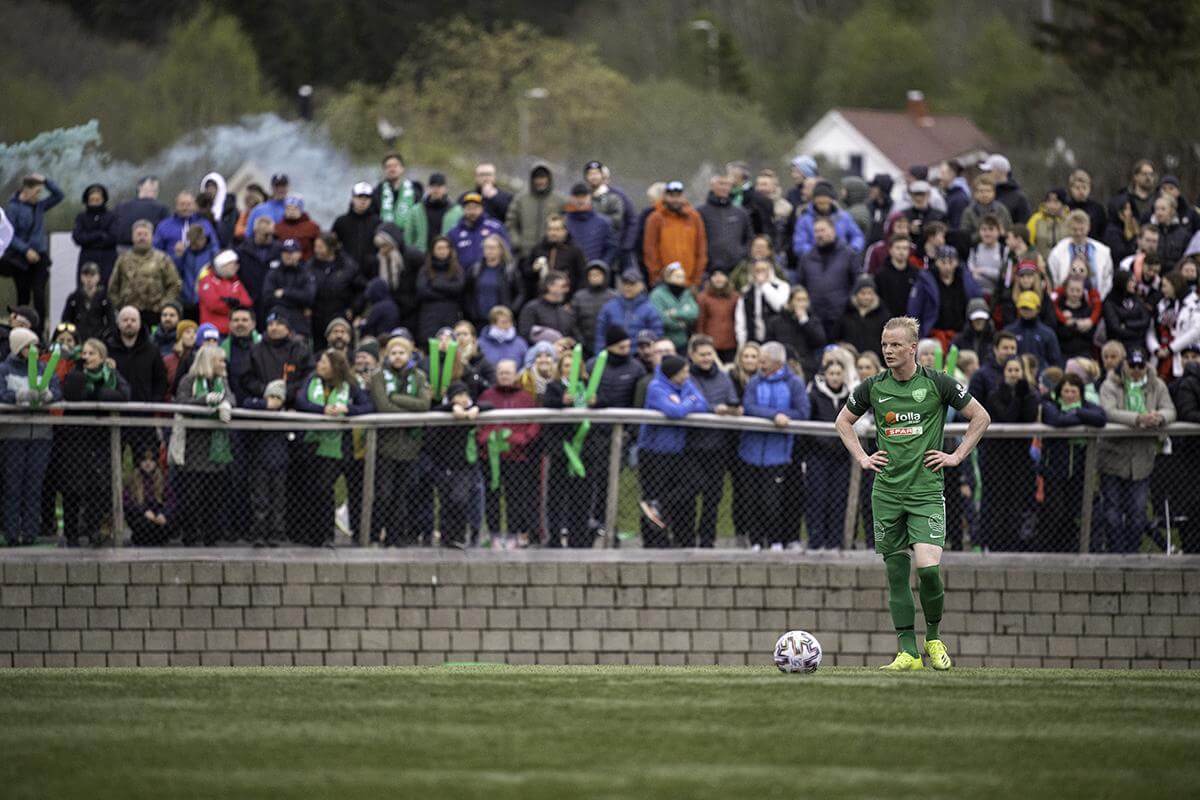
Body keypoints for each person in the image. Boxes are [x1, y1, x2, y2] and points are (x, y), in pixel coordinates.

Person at [836, 316, 990, 671]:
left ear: (912, 348)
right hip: (887, 493)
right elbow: (842, 421)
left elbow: (980, 417)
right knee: (895, 573)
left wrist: (956, 455)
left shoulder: (938, 383)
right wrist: (861, 457)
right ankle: (907, 651)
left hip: (926, 491)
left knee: (928, 570)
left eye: (894, 345)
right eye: (884, 344)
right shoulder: (873, 386)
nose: (888, 350)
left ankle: (933, 638)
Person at [293, 348, 373, 546]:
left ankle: (327, 534)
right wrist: (322, 410)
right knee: (311, 489)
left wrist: (348, 410)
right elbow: (301, 401)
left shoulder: (350, 385)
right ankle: (312, 535)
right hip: (312, 443)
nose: (319, 366)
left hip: (338, 446)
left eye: (323, 363)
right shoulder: (312, 380)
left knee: (324, 487)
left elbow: (369, 406)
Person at [738, 340, 810, 551]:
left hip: (778, 454)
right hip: (751, 451)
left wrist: (784, 417)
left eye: (764, 361)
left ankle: (776, 540)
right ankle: (756, 540)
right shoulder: (754, 382)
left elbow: (802, 412)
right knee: (751, 499)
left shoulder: (793, 383)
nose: (760, 365)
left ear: (778, 362)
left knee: (774, 500)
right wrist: (773, 416)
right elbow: (749, 406)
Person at [638, 353, 710, 547]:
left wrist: (685, 403)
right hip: (654, 452)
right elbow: (674, 412)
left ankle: (659, 504)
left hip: (677, 451)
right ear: (673, 373)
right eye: (684, 371)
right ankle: (654, 543)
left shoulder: (685, 385)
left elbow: (702, 404)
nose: (687, 374)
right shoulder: (656, 387)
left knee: (696, 483)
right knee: (654, 491)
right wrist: (688, 403)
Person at [0, 328, 62, 545]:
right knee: (12, 485)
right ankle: (11, 533)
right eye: (28, 346)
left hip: (41, 435)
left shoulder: (44, 368)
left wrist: (50, 395)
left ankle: (30, 533)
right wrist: (19, 396)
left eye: (35, 346)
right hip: (13, 435)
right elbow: (2, 394)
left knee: (34, 486)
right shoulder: (4, 370)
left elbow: (56, 388)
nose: (33, 350)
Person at [369, 333, 432, 546]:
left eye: (401, 352)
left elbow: (424, 405)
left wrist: (396, 398)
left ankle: (396, 536)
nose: (397, 356)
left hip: (410, 445)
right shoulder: (379, 376)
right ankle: (375, 532)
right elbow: (383, 407)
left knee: (402, 494)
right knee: (383, 493)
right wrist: (408, 409)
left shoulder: (420, 376)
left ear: (409, 354)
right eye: (393, 352)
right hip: (386, 444)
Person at [173, 345, 235, 546]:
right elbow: (182, 402)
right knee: (192, 496)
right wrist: (204, 401)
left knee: (214, 497)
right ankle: (190, 536)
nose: (223, 364)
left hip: (216, 450)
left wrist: (225, 404)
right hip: (193, 449)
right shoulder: (188, 380)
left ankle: (212, 536)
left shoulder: (221, 381)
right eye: (220, 360)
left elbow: (231, 397)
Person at [478, 359, 541, 548]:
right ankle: (494, 532)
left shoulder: (526, 398)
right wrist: (486, 437)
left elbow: (535, 422)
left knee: (516, 497)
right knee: (492, 496)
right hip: (490, 456)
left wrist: (523, 437)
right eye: (501, 373)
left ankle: (514, 532)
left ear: (515, 375)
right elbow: (478, 423)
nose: (505, 376)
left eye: (508, 373)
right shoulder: (487, 396)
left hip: (518, 456)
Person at [978, 356, 1038, 552]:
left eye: (1017, 370)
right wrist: (1019, 398)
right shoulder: (995, 394)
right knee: (998, 503)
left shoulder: (1030, 393)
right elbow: (1007, 417)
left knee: (1018, 502)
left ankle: (1018, 543)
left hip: (1020, 458)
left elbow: (1029, 417)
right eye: (1010, 370)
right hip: (998, 459)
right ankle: (995, 543)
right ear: (1004, 373)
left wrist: (1025, 396)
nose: (1014, 374)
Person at [1040, 372, 1107, 552]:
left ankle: (1072, 548)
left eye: (1073, 391)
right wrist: (1081, 418)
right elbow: (1057, 420)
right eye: (1066, 391)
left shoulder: (1084, 406)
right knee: (1056, 512)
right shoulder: (1049, 405)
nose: (1069, 395)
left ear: (1080, 392)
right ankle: (1049, 549)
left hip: (1079, 472)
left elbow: (1101, 418)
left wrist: (1076, 411)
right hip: (1054, 470)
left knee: (1074, 512)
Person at [683, 335, 739, 547]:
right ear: (692, 355)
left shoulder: (723, 378)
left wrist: (732, 409)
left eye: (709, 354)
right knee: (689, 494)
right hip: (691, 445)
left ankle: (707, 539)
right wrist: (713, 409)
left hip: (717, 445)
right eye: (702, 354)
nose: (707, 358)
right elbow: (691, 402)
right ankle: (686, 538)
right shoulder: (686, 376)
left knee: (713, 496)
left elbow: (732, 400)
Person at [2, 174, 64, 330]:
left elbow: (59, 195)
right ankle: (19, 331)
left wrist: (45, 180)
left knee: (39, 294)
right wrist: (26, 250)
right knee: (23, 295)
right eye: (37, 192)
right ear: (26, 191)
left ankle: (39, 331)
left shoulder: (40, 206)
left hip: (40, 257)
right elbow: (9, 235)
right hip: (21, 259)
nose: (39, 196)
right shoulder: (13, 208)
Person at [805, 359, 851, 549]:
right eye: (831, 374)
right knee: (818, 498)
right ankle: (816, 541)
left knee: (838, 499)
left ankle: (835, 541)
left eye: (838, 373)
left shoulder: (849, 397)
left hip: (841, 457)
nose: (835, 377)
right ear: (825, 376)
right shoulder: (814, 395)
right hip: (818, 456)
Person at [907, 246, 983, 347]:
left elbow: (976, 301)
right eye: (943, 262)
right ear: (936, 262)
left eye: (951, 262)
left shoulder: (966, 280)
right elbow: (914, 310)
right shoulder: (925, 281)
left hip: (962, 333)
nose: (947, 267)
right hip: (933, 334)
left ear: (956, 262)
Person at [797, 217, 856, 334]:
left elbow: (856, 281)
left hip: (841, 316)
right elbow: (801, 284)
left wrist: (848, 304)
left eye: (822, 230)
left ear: (833, 231)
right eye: (816, 231)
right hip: (815, 316)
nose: (819, 234)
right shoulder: (806, 258)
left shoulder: (848, 255)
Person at [643, 180, 707, 287]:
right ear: (665, 197)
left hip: (689, 281)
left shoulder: (694, 217)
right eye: (671, 196)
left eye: (678, 196)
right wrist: (656, 276)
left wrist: (696, 279)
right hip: (664, 281)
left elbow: (701, 248)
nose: (675, 200)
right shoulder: (655, 218)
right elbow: (650, 250)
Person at [244, 308, 313, 407]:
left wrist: (286, 392)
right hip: (263, 404)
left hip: (294, 406)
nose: (274, 328)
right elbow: (247, 378)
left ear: (288, 327)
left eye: (279, 324)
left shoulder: (300, 349)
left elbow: (308, 377)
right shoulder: (256, 350)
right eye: (270, 324)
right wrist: (266, 390)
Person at [1168, 345, 1200, 553]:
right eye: (1185, 356)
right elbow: (1187, 412)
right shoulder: (1184, 384)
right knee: (1192, 505)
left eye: (1194, 356)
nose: (1190, 360)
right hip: (1189, 453)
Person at [1048, 210, 1115, 297]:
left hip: (1096, 299)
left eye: (1082, 229)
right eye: (1075, 230)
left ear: (1088, 227)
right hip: (1066, 300)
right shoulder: (1057, 253)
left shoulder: (1103, 251)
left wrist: (1100, 299)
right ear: (1068, 228)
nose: (1078, 233)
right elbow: (1055, 278)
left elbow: (1107, 278)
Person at [791, 181, 865, 259]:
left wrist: (851, 250)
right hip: (815, 262)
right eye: (819, 203)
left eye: (825, 202)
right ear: (814, 201)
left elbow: (857, 236)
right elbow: (799, 245)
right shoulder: (804, 220)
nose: (823, 206)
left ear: (831, 200)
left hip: (841, 260)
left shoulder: (843, 217)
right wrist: (819, 253)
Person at [506, 163, 565, 260]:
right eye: (537, 178)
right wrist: (517, 242)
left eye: (543, 178)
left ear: (549, 179)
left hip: (552, 255)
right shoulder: (520, 199)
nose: (540, 181)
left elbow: (567, 224)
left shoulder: (559, 200)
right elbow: (510, 224)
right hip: (525, 255)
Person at [261, 239, 316, 341]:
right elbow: (267, 297)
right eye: (285, 252)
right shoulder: (273, 273)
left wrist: (284, 293)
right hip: (276, 322)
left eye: (292, 252)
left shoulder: (306, 273)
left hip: (299, 325)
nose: (288, 255)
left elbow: (309, 297)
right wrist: (296, 300)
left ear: (299, 254)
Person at [524, 214, 587, 301]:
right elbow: (526, 273)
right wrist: (533, 269)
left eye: (557, 230)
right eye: (550, 229)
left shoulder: (574, 251)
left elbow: (582, 277)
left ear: (565, 231)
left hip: (566, 300)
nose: (553, 233)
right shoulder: (538, 249)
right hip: (541, 300)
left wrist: (573, 302)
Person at [465, 235, 523, 327]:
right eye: (486, 247)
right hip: (479, 320)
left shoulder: (509, 270)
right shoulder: (475, 269)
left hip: (501, 321)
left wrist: (510, 310)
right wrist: (471, 311)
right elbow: (467, 292)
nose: (489, 251)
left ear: (501, 250)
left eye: (492, 248)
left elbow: (521, 293)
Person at [699, 174, 752, 274]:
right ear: (712, 186)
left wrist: (742, 254)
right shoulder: (700, 212)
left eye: (728, 185)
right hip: (708, 268)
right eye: (721, 184)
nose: (724, 188)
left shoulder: (740, 213)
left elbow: (749, 238)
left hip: (736, 268)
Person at [447, 193, 510, 270]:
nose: (472, 212)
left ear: (482, 208)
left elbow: (507, 251)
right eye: (469, 208)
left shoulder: (495, 227)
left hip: (490, 275)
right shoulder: (454, 232)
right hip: (463, 277)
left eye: (476, 208)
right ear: (463, 209)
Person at [72, 183, 119, 285]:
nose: (95, 203)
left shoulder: (111, 216)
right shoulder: (81, 217)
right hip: (87, 257)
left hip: (107, 259)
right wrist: (99, 234)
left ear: (103, 200)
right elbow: (78, 237)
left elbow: (113, 237)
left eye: (97, 200)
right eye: (92, 200)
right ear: (87, 201)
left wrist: (90, 238)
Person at [235, 217, 279, 324]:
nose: (268, 237)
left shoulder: (279, 250)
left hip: (272, 302)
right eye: (264, 234)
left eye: (270, 234)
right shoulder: (242, 250)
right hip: (249, 300)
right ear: (255, 232)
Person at [197, 250, 252, 335]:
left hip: (233, 332)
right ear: (222, 265)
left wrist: (233, 303)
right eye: (233, 264)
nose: (236, 267)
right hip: (213, 332)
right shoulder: (207, 281)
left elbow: (247, 302)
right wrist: (235, 307)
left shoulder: (236, 282)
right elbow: (213, 304)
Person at [123, 445, 169, 547]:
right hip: (141, 515)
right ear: (139, 462)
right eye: (144, 460)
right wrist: (143, 510)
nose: (148, 463)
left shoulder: (161, 479)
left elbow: (171, 500)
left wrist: (163, 513)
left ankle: (159, 540)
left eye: (151, 460)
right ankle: (140, 540)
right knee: (143, 523)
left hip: (157, 514)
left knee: (167, 522)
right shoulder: (133, 479)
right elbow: (126, 500)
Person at [332, 182, 382, 274]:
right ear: (353, 198)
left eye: (367, 198)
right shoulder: (341, 222)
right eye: (359, 197)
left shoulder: (377, 222)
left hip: (370, 272)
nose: (363, 201)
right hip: (346, 271)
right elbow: (333, 245)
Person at [563, 183, 617, 267]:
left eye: (583, 197)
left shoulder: (604, 222)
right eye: (577, 197)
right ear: (571, 198)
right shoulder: (564, 222)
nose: (580, 201)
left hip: (595, 274)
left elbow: (611, 248)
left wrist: (601, 266)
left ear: (589, 197)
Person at [60, 261, 115, 344]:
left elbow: (111, 322)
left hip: (99, 340)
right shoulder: (73, 298)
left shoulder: (105, 299)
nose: (89, 279)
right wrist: (72, 335)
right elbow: (65, 320)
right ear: (81, 277)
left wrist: (104, 335)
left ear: (98, 277)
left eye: (92, 275)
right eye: (86, 275)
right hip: (78, 339)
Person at [404, 173, 461, 252]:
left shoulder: (456, 211)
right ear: (428, 188)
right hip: (421, 255)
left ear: (445, 189)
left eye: (439, 186)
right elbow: (409, 235)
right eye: (433, 186)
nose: (436, 189)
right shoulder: (416, 210)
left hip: (447, 256)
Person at [649, 262, 699, 351]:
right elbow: (661, 317)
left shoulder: (686, 293)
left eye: (682, 277)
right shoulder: (657, 294)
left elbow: (694, 313)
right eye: (677, 276)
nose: (681, 280)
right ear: (667, 277)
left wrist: (674, 313)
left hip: (684, 341)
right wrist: (680, 324)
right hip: (665, 341)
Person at [1102, 270, 1152, 357]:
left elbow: (1146, 320)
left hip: (1139, 344)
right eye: (1131, 281)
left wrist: (1127, 324)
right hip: (1119, 346)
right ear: (1122, 282)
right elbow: (1115, 327)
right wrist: (1137, 332)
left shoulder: (1137, 299)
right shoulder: (1110, 302)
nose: (1134, 284)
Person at [836, 275, 889, 358]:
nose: (866, 297)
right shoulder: (846, 313)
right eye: (863, 293)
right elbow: (836, 338)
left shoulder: (883, 315)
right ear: (856, 294)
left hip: (876, 361)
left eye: (870, 293)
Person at [1005, 291, 1062, 367]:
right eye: (1023, 307)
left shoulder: (1047, 333)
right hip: (1015, 374)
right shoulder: (1009, 331)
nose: (1026, 311)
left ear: (1038, 309)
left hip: (1041, 375)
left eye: (1029, 308)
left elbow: (1055, 360)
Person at [1053, 274, 1101, 361]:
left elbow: (1089, 334)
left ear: (1083, 291)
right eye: (1072, 290)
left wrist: (1072, 323)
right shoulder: (1059, 309)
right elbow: (1061, 333)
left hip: (1085, 354)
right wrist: (1078, 324)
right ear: (1066, 290)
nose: (1075, 294)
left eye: (1078, 290)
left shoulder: (1088, 310)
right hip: (1064, 354)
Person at [957, 175, 1013, 247]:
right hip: (975, 249)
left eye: (988, 191)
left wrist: (1000, 232)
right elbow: (964, 237)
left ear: (994, 193)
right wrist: (984, 234)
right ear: (975, 193)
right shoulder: (969, 212)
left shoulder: (1001, 210)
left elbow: (1009, 231)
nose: (985, 194)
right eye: (981, 191)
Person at [695, 268, 738, 361]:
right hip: (711, 343)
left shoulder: (735, 297)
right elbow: (700, 321)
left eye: (721, 275)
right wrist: (701, 341)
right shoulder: (703, 297)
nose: (718, 279)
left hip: (731, 342)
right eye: (715, 275)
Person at [372, 153, 424, 228]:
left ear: (402, 168)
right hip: (385, 233)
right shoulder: (377, 192)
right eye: (388, 166)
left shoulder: (415, 190)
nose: (392, 169)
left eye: (395, 166)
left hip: (409, 232)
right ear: (384, 170)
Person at [115, 176, 169, 246]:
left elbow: (167, 230)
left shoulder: (162, 208)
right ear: (139, 186)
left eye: (157, 186)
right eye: (151, 183)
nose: (155, 187)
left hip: (152, 250)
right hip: (124, 248)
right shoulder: (122, 206)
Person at [980, 153, 1032, 225]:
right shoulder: (982, 193)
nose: (985, 174)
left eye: (989, 171)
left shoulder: (1019, 198)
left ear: (1001, 172)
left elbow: (1023, 227)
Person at [900, 180, 947, 253]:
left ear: (928, 195)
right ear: (911, 195)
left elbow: (944, 235)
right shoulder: (903, 215)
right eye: (916, 194)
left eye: (922, 194)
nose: (919, 198)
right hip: (910, 252)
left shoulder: (939, 215)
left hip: (933, 252)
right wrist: (909, 229)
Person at [1027, 188, 1071, 262]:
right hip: (1041, 263)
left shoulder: (1069, 220)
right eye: (1049, 201)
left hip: (1064, 263)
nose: (1051, 206)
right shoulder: (1036, 219)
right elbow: (1028, 242)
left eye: (1056, 202)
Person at [1065, 169, 1107, 245]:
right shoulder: (1065, 208)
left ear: (1089, 188)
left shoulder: (1097, 209)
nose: (1081, 191)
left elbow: (1103, 233)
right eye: (1077, 188)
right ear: (1071, 189)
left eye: (1084, 187)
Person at [163, 320, 197, 400]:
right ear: (180, 335)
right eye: (188, 332)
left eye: (195, 332)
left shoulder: (198, 359)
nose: (192, 336)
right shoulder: (168, 360)